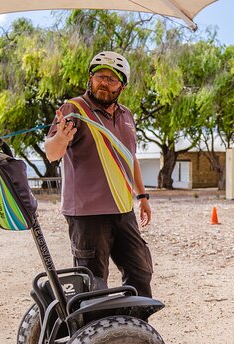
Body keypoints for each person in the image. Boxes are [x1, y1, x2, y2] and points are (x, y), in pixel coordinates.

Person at [44, 51, 154, 297]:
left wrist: (143, 196)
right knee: (93, 284)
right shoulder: (74, 108)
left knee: (141, 273)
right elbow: (52, 153)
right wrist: (61, 137)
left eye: (112, 79)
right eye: (100, 76)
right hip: (87, 214)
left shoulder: (126, 115)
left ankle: (133, 330)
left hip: (123, 211)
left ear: (122, 86)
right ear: (90, 79)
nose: (104, 82)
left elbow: (130, 157)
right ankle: (95, 334)